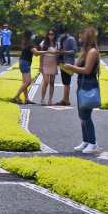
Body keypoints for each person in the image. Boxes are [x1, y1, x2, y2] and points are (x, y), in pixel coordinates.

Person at [60, 26, 102, 154]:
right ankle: (86, 140)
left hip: (89, 83)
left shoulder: (93, 52)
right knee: (82, 115)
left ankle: (93, 143)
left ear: (87, 37)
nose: (79, 38)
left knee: (86, 115)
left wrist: (71, 67)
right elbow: (78, 67)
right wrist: (69, 67)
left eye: (81, 36)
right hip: (82, 83)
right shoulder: (85, 51)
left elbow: (87, 70)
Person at [33, 29, 59, 105]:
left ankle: (50, 99)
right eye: (49, 34)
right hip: (45, 62)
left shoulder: (57, 43)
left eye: (52, 34)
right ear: (47, 35)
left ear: (54, 35)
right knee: (46, 81)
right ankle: (42, 99)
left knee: (52, 82)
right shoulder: (44, 43)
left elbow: (58, 54)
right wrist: (40, 65)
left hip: (53, 63)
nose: (51, 36)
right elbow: (41, 55)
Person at [57, 26, 78, 106]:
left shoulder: (71, 39)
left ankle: (65, 100)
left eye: (62, 33)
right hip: (62, 62)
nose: (61, 35)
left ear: (65, 32)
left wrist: (65, 52)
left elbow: (75, 50)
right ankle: (65, 99)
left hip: (68, 62)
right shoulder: (61, 39)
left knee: (67, 82)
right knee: (65, 82)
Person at [13, 30, 34, 104]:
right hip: (25, 63)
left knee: (25, 82)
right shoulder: (29, 44)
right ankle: (16, 96)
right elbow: (36, 53)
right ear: (30, 36)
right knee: (28, 82)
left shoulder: (25, 42)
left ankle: (26, 99)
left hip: (22, 61)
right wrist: (46, 52)